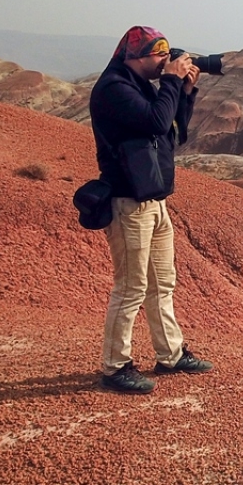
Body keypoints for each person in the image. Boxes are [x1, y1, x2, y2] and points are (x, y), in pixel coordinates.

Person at [89, 25, 214, 394]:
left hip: (154, 200)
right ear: (136, 56)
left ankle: (170, 354)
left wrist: (184, 92)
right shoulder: (114, 88)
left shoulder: (141, 86)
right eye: (159, 54)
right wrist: (172, 81)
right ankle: (115, 367)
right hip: (128, 201)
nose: (165, 60)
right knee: (131, 287)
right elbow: (155, 120)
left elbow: (172, 130)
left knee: (162, 283)